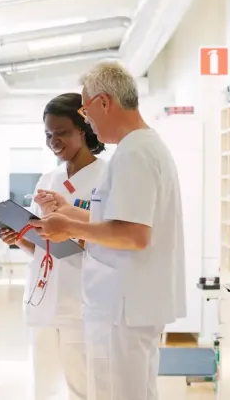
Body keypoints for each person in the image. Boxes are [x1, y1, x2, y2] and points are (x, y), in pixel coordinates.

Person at [30, 61, 186, 400]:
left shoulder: (134, 153)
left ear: (104, 103)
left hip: (123, 307)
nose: (87, 121)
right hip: (127, 306)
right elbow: (116, 219)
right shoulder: (140, 147)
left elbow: (134, 234)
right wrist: (67, 210)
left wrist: (68, 225)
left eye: (86, 111)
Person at [0, 93, 107, 400]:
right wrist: (19, 236)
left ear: (84, 129)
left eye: (62, 133)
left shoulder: (108, 177)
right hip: (44, 299)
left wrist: (70, 227)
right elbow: (41, 247)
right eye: (49, 134)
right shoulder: (48, 178)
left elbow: (115, 238)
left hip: (84, 300)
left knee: (84, 389)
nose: (54, 141)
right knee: (42, 387)